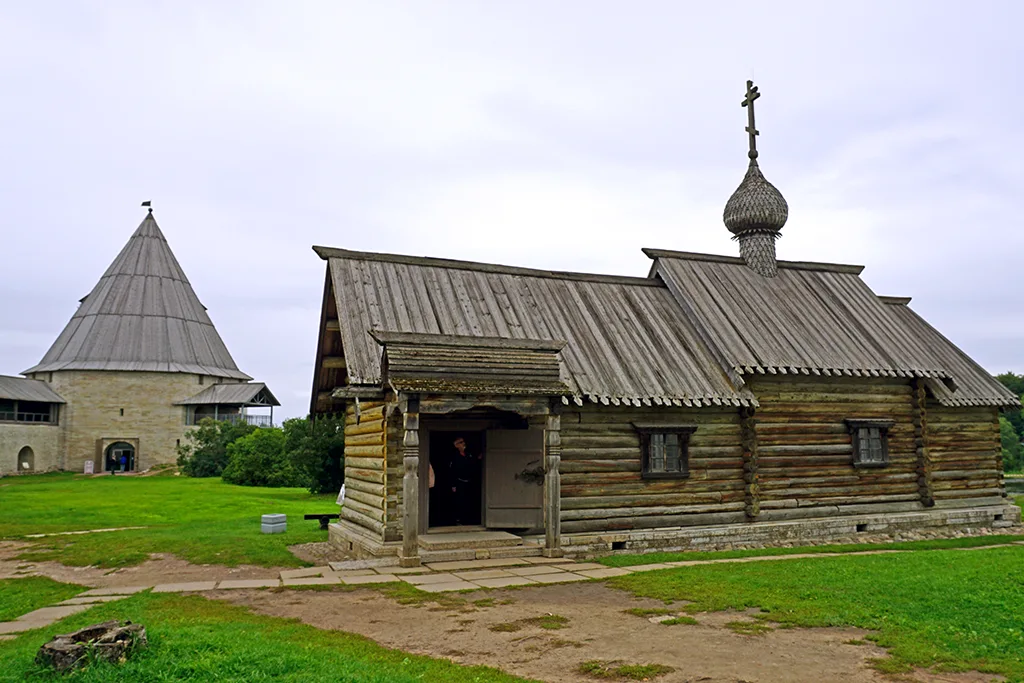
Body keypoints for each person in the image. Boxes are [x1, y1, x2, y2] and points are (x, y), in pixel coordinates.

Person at [448, 436, 481, 525]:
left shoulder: (469, 454)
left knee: (469, 501)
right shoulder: (454, 457)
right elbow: (452, 472)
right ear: (456, 445)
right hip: (459, 482)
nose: (463, 443)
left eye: (463, 442)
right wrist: (453, 485)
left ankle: (468, 519)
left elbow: (474, 463)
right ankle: (458, 519)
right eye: (461, 442)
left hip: (469, 482)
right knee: (460, 501)